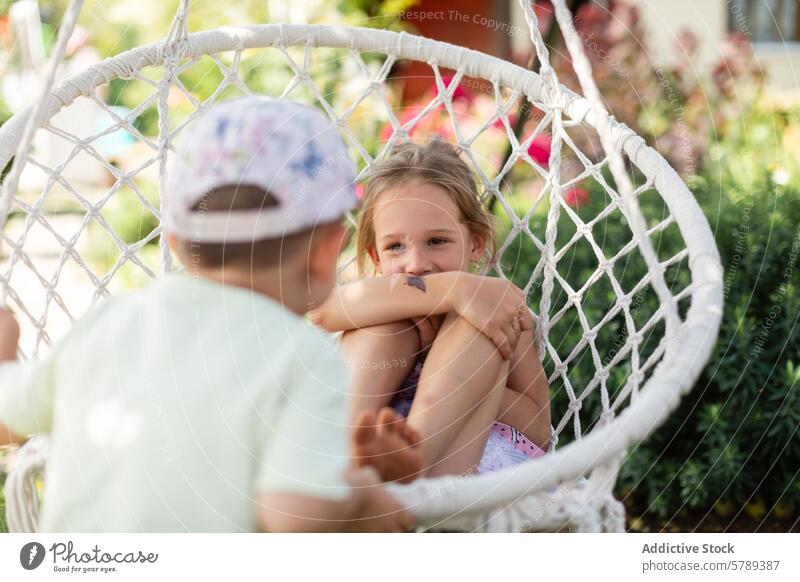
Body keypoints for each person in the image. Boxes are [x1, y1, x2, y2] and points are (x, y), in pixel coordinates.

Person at [0, 96, 421, 532]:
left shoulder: (109, 321)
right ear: (325, 251)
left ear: (178, 242)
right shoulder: (301, 356)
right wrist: (369, 502)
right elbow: (296, 514)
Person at [310, 139, 551, 479]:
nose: (416, 265)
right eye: (395, 247)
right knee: (388, 324)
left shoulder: (500, 311)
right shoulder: (379, 300)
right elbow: (321, 311)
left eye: (437, 241)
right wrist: (450, 289)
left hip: (460, 467)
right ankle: (329, 457)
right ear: (376, 257)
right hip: (364, 446)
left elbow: (540, 430)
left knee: (476, 326)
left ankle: (410, 462)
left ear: (476, 242)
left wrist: (462, 380)